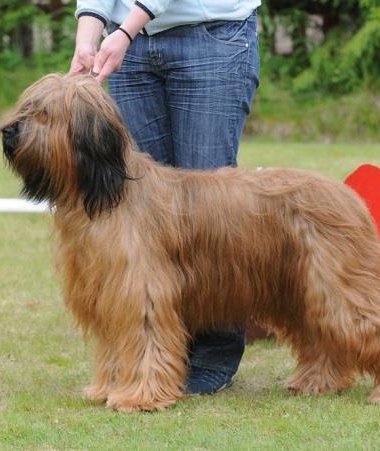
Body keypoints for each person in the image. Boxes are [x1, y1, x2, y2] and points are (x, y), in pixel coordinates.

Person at [69, 0, 260, 395]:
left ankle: (212, 353)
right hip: (131, 50)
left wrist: (124, 30)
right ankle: (151, 358)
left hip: (211, 34)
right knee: (140, 223)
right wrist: (87, 37)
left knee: (211, 214)